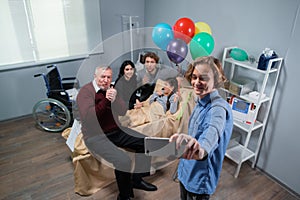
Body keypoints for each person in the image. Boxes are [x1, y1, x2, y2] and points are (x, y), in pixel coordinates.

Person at [76, 66, 157, 200]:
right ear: (95, 77)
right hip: (95, 136)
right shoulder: (86, 92)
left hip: (115, 130)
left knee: (145, 142)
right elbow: (89, 118)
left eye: (108, 77)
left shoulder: (112, 90)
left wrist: (115, 99)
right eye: (102, 77)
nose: (106, 80)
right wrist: (106, 100)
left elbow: (122, 111)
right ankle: (124, 196)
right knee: (123, 160)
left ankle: (137, 179)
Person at [169, 56, 233, 200]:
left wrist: (201, 148)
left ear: (216, 80)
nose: (196, 82)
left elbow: (211, 132)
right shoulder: (201, 99)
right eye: (194, 77)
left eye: (203, 78)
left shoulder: (218, 109)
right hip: (186, 172)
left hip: (199, 181)